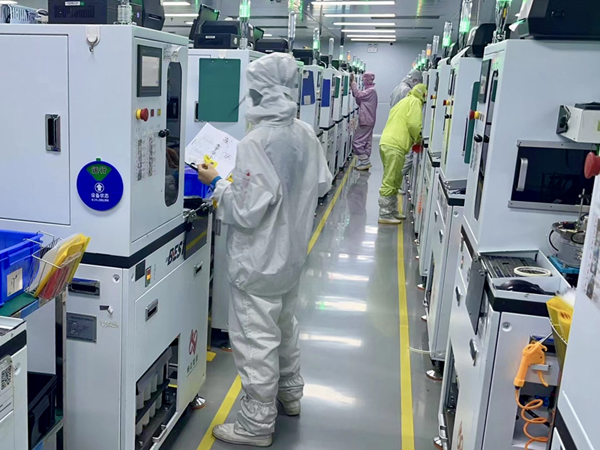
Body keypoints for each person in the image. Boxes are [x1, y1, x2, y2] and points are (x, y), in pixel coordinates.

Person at [197, 52, 333, 447]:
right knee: (285, 328)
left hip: (257, 263)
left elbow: (245, 211)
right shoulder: (304, 133)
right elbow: (321, 184)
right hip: (290, 257)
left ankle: (255, 426)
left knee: (256, 342)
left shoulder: (256, 142)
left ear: (263, 92)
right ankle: (290, 395)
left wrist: (216, 182)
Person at [378, 84, 427, 224]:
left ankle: (392, 210)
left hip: (387, 142)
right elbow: (414, 124)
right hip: (395, 145)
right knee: (390, 179)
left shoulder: (404, 100)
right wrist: (418, 138)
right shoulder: (415, 102)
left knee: (395, 178)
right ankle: (384, 214)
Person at [390, 69, 424, 194]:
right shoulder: (407, 91)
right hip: (403, 128)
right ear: (414, 80)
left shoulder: (398, 87)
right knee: (408, 157)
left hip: (396, 125)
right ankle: (393, 183)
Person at [350, 71, 377, 171]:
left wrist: (353, 82)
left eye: (364, 78)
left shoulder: (371, 91)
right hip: (369, 119)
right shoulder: (370, 90)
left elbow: (358, 94)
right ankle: (364, 163)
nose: (362, 80)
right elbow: (359, 99)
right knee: (367, 142)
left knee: (357, 142)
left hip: (366, 119)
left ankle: (365, 160)